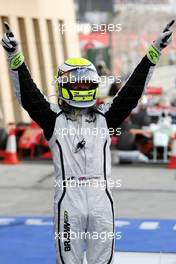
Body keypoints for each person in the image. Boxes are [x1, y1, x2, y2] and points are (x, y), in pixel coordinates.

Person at [1, 20, 174, 264]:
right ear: (63, 85)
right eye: (76, 83)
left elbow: (132, 91)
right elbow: (28, 96)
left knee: (102, 262)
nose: (82, 88)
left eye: (86, 83)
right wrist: (14, 56)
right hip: (68, 199)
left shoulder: (106, 116)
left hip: (101, 197)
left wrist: (154, 51)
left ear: (94, 86)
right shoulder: (53, 119)